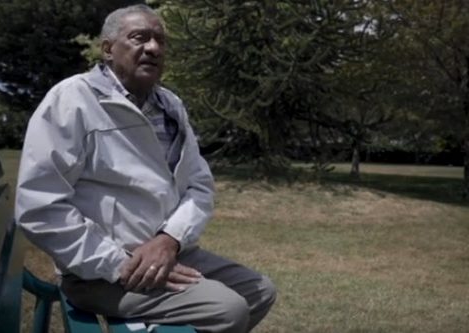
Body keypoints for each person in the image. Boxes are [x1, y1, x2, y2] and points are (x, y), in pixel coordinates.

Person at [15, 4, 276, 333]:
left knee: (259, 291)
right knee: (228, 310)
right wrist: (119, 263)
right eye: (140, 38)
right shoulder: (72, 100)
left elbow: (199, 185)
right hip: (98, 270)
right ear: (108, 48)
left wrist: (170, 239)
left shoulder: (170, 105)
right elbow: (39, 206)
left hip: (169, 254)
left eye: (160, 41)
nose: (153, 48)